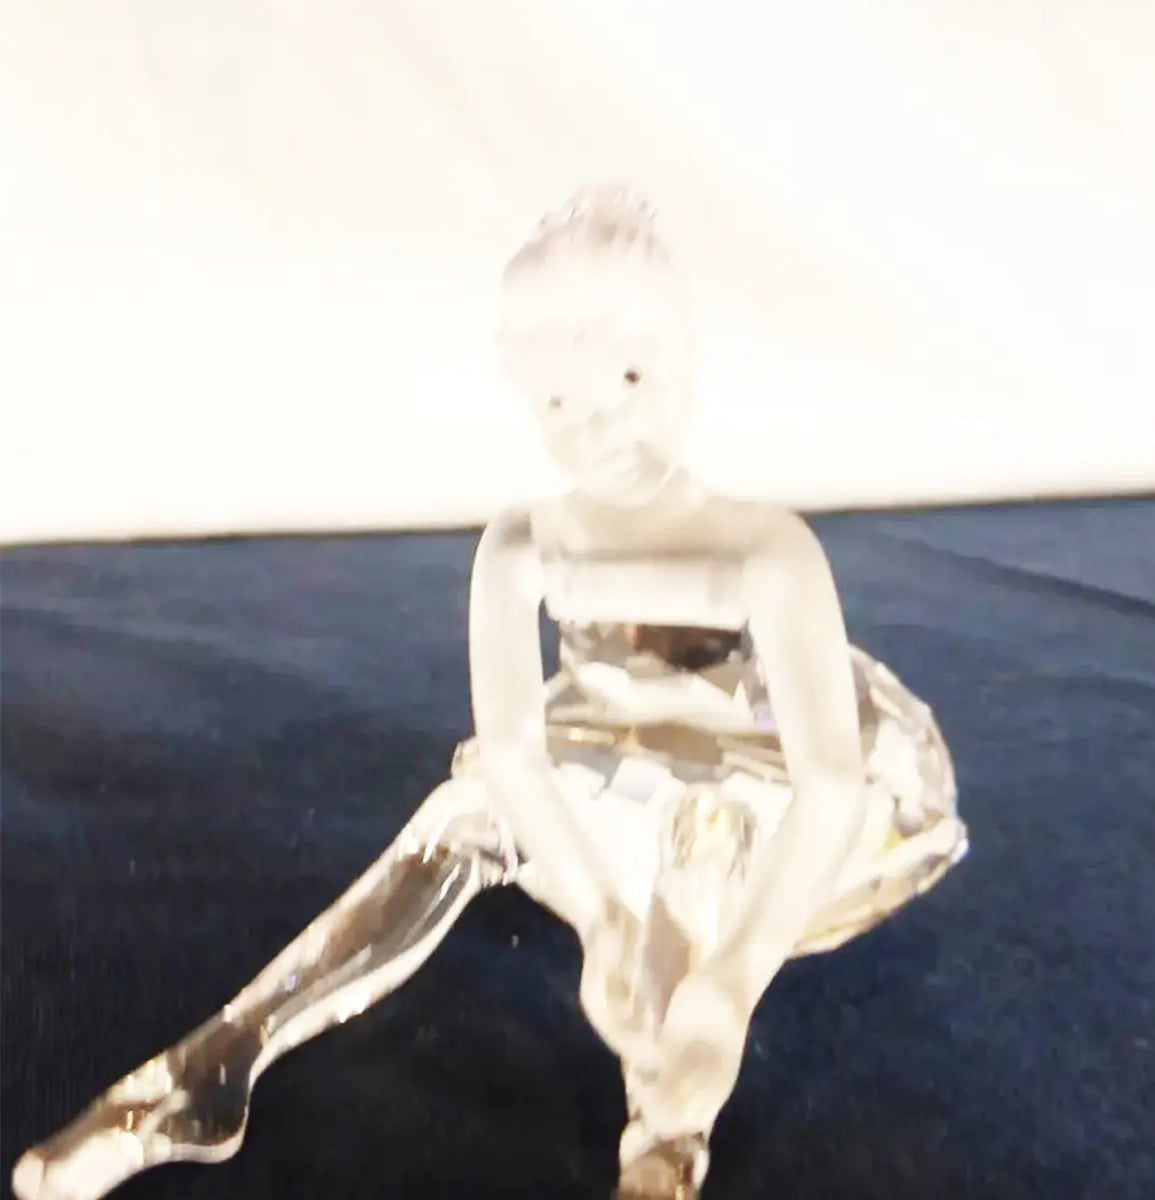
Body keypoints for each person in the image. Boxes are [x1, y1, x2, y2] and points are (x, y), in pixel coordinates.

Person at [13, 184, 966, 1200]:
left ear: (684, 359)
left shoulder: (767, 549)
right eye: (559, 403)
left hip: (755, 786)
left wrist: (734, 975)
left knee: (697, 870)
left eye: (629, 378)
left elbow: (830, 783)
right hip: (606, 764)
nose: (598, 427)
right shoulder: (523, 543)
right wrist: (599, 919)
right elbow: (511, 748)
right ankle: (211, 1070)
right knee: (463, 815)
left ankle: (667, 1132)